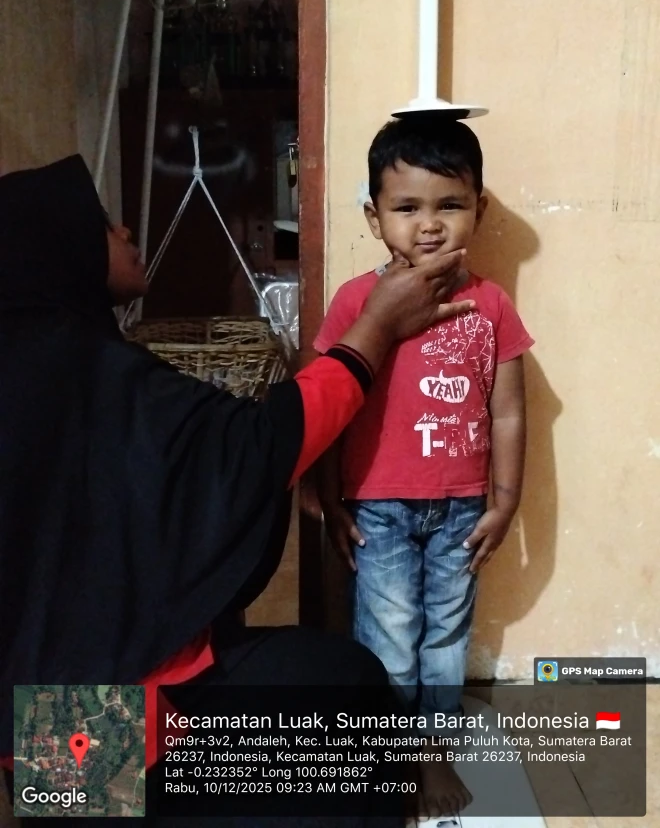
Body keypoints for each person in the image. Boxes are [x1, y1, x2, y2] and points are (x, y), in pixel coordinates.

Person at [0, 154, 474, 825]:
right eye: (104, 224)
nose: (126, 231)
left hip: (39, 753)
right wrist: (376, 329)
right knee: (349, 692)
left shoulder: (40, 360)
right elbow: (252, 448)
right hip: (116, 734)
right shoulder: (79, 370)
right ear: (60, 246)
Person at [315, 116, 535, 817]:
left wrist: (505, 502)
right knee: (388, 634)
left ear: (480, 209)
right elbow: (329, 404)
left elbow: (508, 413)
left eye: (450, 205)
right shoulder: (358, 302)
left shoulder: (491, 305)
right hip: (376, 507)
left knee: (444, 635)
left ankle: (432, 747)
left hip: (462, 509)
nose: (430, 225)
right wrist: (327, 500)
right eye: (407, 207)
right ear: (374, 216)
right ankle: (393, 752)